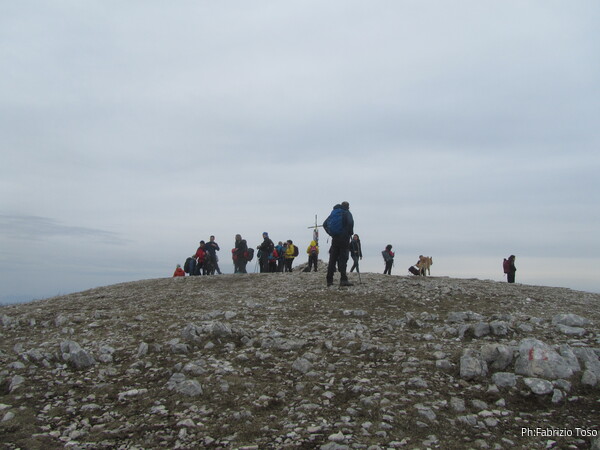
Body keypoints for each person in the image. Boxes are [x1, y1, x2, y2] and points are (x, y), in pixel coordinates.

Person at [323, 201, 354, 287]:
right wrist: (350, 232)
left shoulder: (334, 213)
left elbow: (324, 224)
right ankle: (343, 280)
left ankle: (329, 280)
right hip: (344, 239)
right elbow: (350, 223)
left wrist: (331, 233)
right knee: (343, 259)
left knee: (332, 259)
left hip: (335, 239)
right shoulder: (347, 213)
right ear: (348, 206)